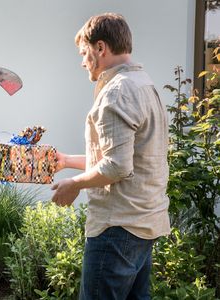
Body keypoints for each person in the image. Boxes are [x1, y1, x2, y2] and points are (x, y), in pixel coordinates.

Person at [51, 13, 170, 299]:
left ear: (100, 48)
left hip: (116, 229)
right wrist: (67, 161)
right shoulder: (144, 84)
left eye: (84, 53)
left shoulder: (117, 92)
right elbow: (126, 156)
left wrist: (73, 184)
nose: (82, 62)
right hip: (143, 225)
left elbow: (117, 167)